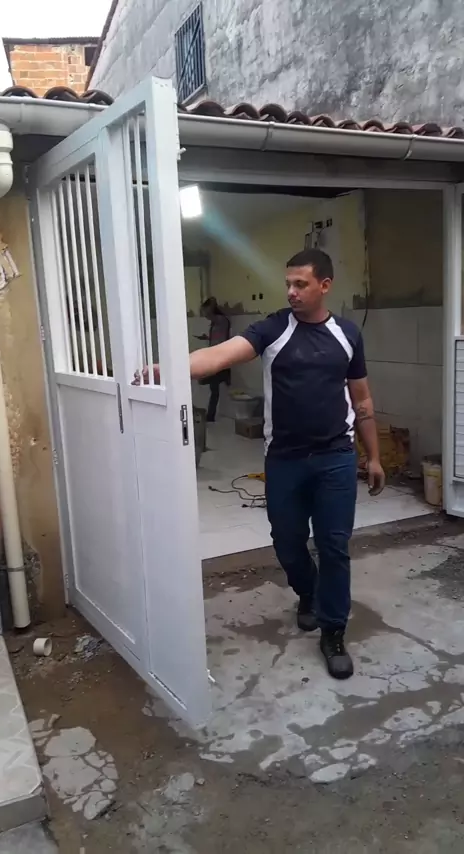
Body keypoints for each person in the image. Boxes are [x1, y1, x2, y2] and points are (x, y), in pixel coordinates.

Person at [142, 249, 385, 680]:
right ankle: (307, 592)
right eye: (288, 283)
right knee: (287, 542)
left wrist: (375, 456)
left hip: (336, 459)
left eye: (300, 284)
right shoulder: (274, 328)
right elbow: (220, 355)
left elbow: (361, 398)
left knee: (334, 547)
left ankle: (333, 631)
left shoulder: (348, 333)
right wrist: (167, 370)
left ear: (325, 285)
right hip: (285, 460)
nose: (290, 292)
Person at [195, 297, 231, 422]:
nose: (205, 316)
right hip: (214, 356)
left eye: (206, 313)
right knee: (213, 389)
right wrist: (206, 338)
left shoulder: (221, 320)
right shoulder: (215, 323)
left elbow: (222, 339)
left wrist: (208, 307)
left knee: (204, 381)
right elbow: (217, 338)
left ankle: (224, 376)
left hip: (220, 357)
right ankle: (210, 416)